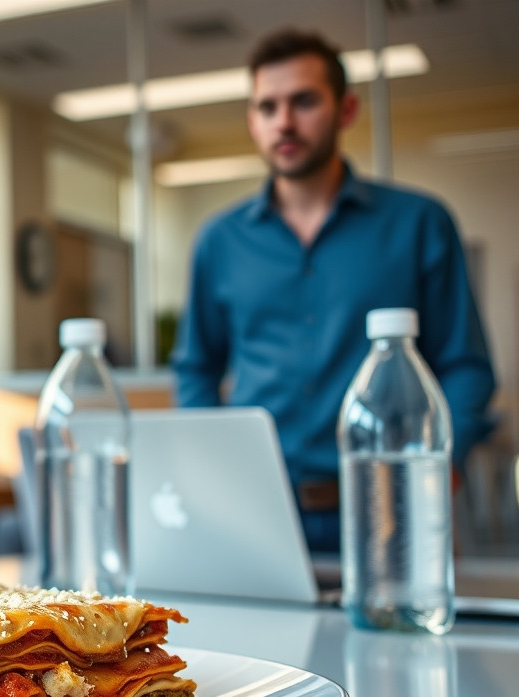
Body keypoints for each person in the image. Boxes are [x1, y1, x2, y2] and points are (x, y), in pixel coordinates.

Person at [171, 29, 495, 554]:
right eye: (267, 106)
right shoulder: (219, 241)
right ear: (252, 120)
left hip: (390, 508)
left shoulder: (419, 223)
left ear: (346, 110)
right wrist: (214, 466)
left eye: (303, 101)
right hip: (255, 510)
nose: (284, 122)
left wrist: (442, 463)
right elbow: (196, 369)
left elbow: (465, 367)